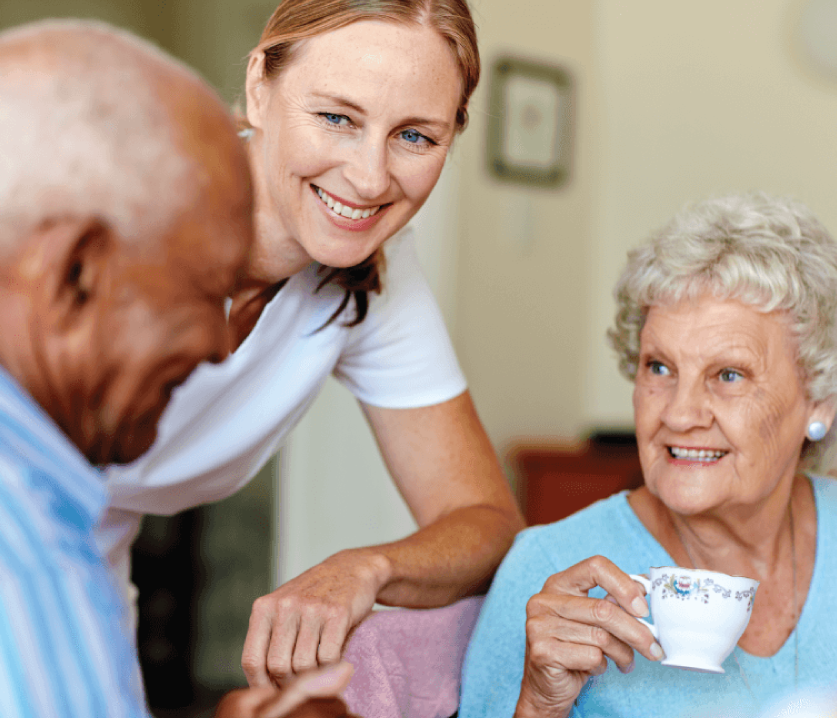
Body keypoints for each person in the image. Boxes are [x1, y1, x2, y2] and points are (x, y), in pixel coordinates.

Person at [98, 0, 525, 687]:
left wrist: (367, 567)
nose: (369, 177)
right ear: (260, 87)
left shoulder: (377, 277)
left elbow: (485, 520)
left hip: (84, 591)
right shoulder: (109, 209)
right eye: (337, 118)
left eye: (415, 136)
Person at [0, 19, 356, 718]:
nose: (218, 349)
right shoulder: (27, 553)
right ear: (73, 274)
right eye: (203, 291)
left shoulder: (58, 507)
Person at [459, 192, 837, 718]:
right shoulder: (549, 572)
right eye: (659, 367)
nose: (680, 415)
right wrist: (540, 704)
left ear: (820, 398)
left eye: (728, 375)